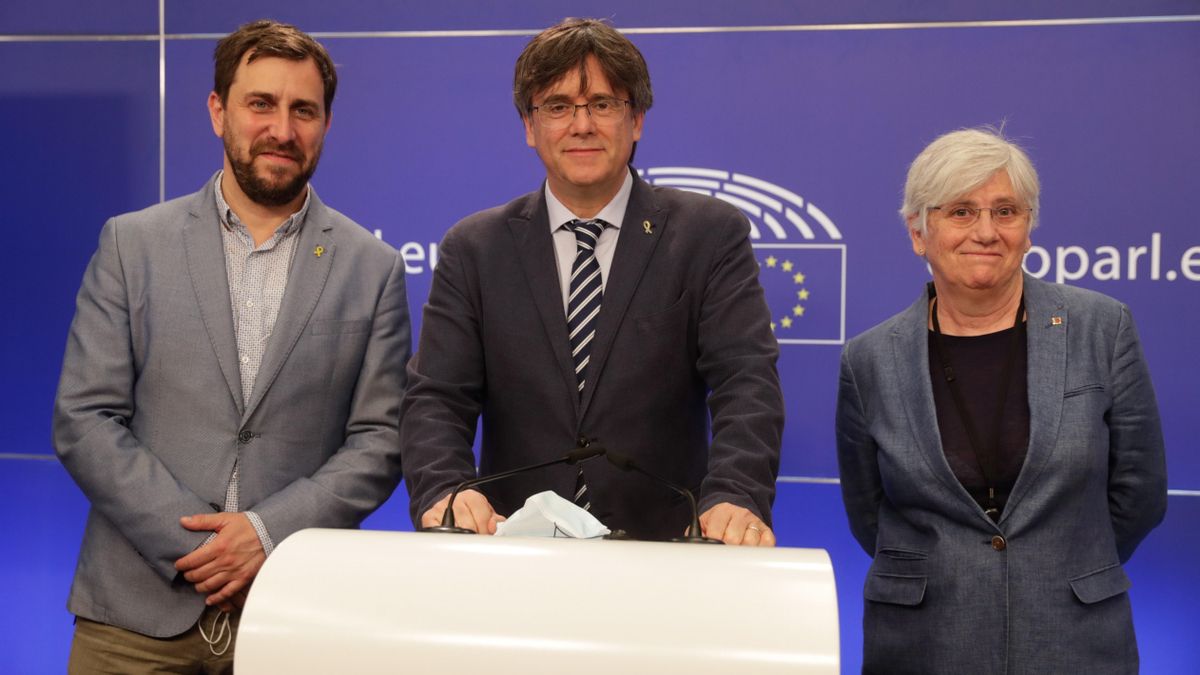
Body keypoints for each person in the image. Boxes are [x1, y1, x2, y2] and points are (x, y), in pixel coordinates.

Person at [53, 20, 409, 672]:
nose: (283, 128)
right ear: (218, 111)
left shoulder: (373, 267)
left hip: (297, 616)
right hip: (132, 617)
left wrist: (265, 533)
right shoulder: (132, 244)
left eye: (304, 110)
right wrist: (204, 545)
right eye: (261, 104)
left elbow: (380, 442)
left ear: (326, 124)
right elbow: (85, 418)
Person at [400, 18, 783, 544]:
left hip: (666, 551)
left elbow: (747, 383)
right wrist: (444, 489)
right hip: (511, 551)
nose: (582, 125)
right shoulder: (474, 248)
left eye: (603, 104)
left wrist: (736, 495)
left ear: (638, 119)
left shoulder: (710, 235)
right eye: (557, 107)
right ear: (529, 127)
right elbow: (437, 399)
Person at [835, 127, 1167, 673]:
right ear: (919, 232)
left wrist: (1067, 566)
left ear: (1029, 228)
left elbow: (1141, 492)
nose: (986, 231)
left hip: (1075, 638)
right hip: (925, 643)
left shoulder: (1101, 328)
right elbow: (870, 514)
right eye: (961, 212)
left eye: (1005, 211)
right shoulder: (869, 359)